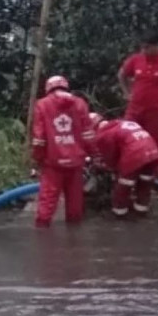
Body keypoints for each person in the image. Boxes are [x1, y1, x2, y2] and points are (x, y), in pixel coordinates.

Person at [31, 75, 96, 229]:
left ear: (48, 88)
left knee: (47, 205)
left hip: (53, 162)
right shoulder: (80, 103)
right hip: (76, 162)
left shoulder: (42, 104)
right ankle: (74, 240)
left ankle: (42, 240)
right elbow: (88, 135)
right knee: (75, 205)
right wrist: (94, 155)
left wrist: (38, 159)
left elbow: (39, 138)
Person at [89, 112, 158, 217]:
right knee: (145, 181)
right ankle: (141, 210)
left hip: (135, 154)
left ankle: (119, 212)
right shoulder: (121, 123)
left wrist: (108, 166)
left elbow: (110, 155)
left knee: (125, 183)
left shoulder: (105, 134)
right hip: (152, 151)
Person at [118, 32, 158, 175]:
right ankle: (130, 169)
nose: (144, 51)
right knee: (128, 135)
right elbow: (122, 74)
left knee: (157, 141)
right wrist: (126, 93)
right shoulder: (136, 60)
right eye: (142, 48)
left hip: (157, 110)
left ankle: (156, 175)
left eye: (147, 48)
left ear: (157, 46)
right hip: (135, 108)